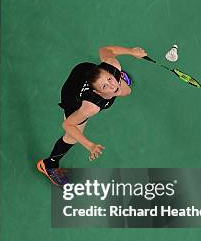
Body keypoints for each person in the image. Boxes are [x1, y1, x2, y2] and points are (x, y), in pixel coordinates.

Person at [37, 46, 147, 186]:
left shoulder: (112, 66)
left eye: (110, 79)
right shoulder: (90, 107)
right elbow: (67, 125)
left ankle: (103, 80)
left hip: (85, 69)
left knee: (125, 90)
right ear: (99, 93)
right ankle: (49, 165)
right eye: (105, 87)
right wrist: (89, 145)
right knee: (73, 136)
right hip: (72, 95)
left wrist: (132, 52)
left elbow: (105, 50)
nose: (112, 85)